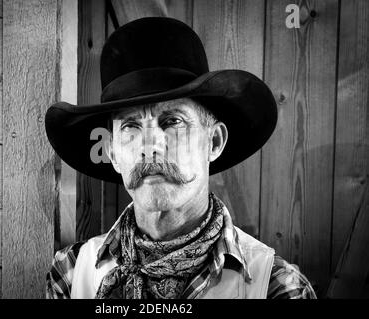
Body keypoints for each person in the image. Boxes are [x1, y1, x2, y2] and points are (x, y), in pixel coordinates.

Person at [44, 17, 316, 299]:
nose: (149, 146)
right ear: (113, 153)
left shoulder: (277, 287)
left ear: (214, 141)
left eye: (172, 120)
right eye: (130, 126)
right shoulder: (72, 273)